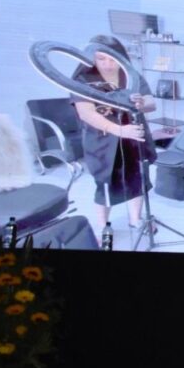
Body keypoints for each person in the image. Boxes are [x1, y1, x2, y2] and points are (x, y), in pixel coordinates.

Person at [70, 35, 157, 235]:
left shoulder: (131, 75)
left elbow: (151, 103)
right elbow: (86, 113)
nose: (108, 64)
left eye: (113, 59)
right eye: (102, 59)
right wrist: (119, 130)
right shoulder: (83, 79)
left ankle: (135, 220)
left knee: (138, 179)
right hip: (103, 140)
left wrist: (142, 104)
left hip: (134, 135)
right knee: (105, 184)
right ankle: (102, 226)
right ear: (92, 58)